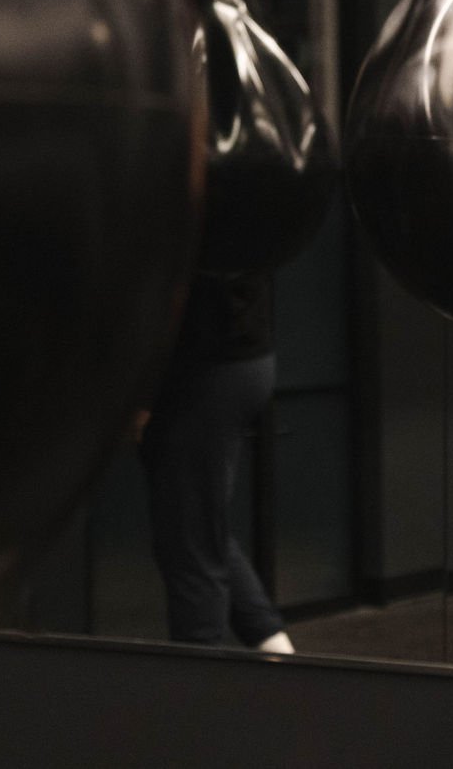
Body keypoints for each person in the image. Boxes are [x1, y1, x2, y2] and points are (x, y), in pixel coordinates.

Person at [138, 270, 295, 654]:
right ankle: (273, 645)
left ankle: (198, 684)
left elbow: (170, 292)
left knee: (189, 542)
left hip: (207, 368)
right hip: (235, 358)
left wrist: (140, 395)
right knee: (198, 523)